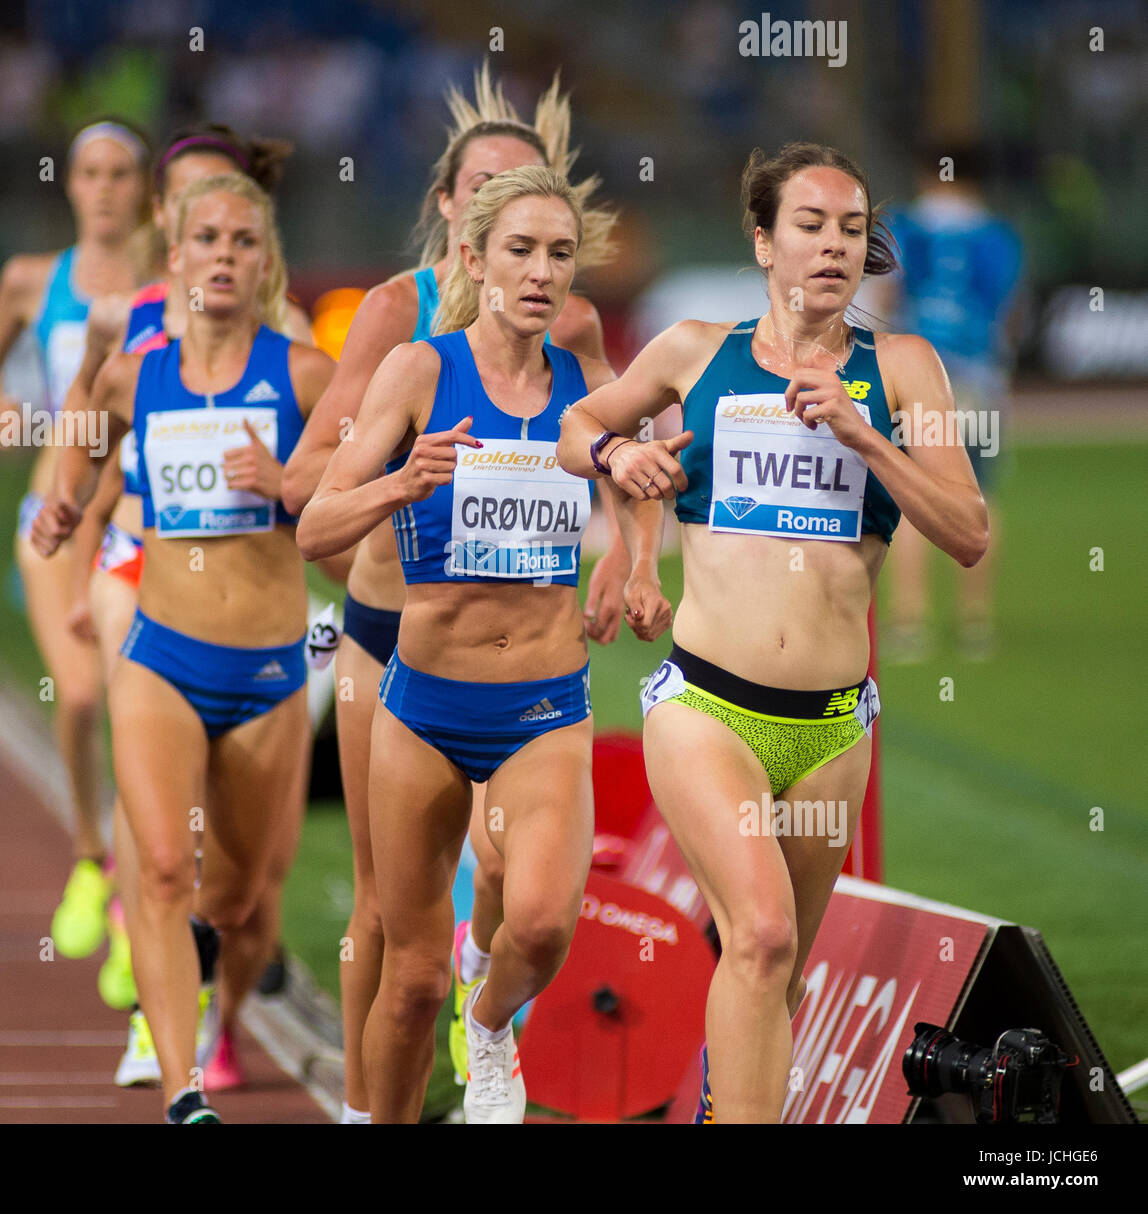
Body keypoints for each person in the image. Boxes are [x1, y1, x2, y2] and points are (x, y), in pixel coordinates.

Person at [557, 142, 988, 1123]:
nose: (833, 246)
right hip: (706, 706)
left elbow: (966, 534)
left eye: (850, 228)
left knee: (774, 965)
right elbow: (575, 421)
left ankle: (719, 1107)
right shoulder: (694, 350)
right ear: (763, 239)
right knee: (755, 934)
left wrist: (866, 435)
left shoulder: (903, 368)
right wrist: (621, 453)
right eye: (809, 225)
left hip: (834, 728)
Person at [280, 64, 628, 1123]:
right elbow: (310, 504)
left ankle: (489, 1026)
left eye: (553, 246)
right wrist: (405, 485)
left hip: (537, 690)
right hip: (400, 659)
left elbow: (630, 451)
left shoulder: (575, 347)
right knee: (398, 942)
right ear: (461, 233)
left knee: (534, 919)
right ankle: (367, 1108)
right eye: (510, 239)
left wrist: (627, 551)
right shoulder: (404, 334)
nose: (535, 265)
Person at [33, 173, 336, 1122]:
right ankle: (180, 1090)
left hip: (269, 669)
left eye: (242, 241)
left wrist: (287, 482)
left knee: (239, 897)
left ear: (263, 261)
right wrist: (69, 503)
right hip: (161, 657)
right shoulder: (136, 370)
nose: (222, 256)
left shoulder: (303, 376)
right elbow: (84, 426)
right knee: (162, 867)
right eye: (205, 238)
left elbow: (345, 515)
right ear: (176, 258)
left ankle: (206, 980)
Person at [0, 119, 149, 962]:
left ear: (145, 187)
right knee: (78, 698)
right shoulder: (32, 280)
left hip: (142, 510)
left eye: (121, 173)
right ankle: (90, 858)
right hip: (54, 509)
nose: (105, 188)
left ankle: (144, 897)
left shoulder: (169, 279)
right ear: (69, 185)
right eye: (90, 172)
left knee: (139, 710)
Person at [869, 143, 1023, 662]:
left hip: (920, 377)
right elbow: (1010, 311)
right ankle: (975, 622)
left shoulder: (906, 228)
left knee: (914, 499)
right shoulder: (998, 236)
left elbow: (886, 299)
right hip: (978, 374)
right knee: (979, 496)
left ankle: (909, 622)